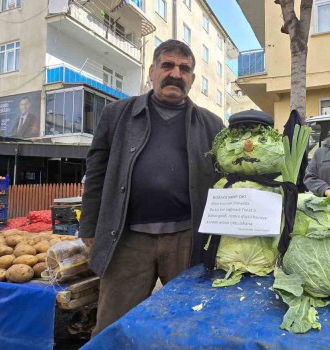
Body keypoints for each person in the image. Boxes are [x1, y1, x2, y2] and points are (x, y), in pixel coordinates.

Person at [79, 39, 223, 336]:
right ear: (151, 71)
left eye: (185, 69)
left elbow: (225, 182)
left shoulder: (211, 124)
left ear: (192, 79)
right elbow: (96, 173)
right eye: (167, 65)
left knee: (188, 323)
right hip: (128, 238)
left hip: (187, 239)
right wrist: (90, 227)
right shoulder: (117, 115)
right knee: (112, 326)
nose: (176, 74)